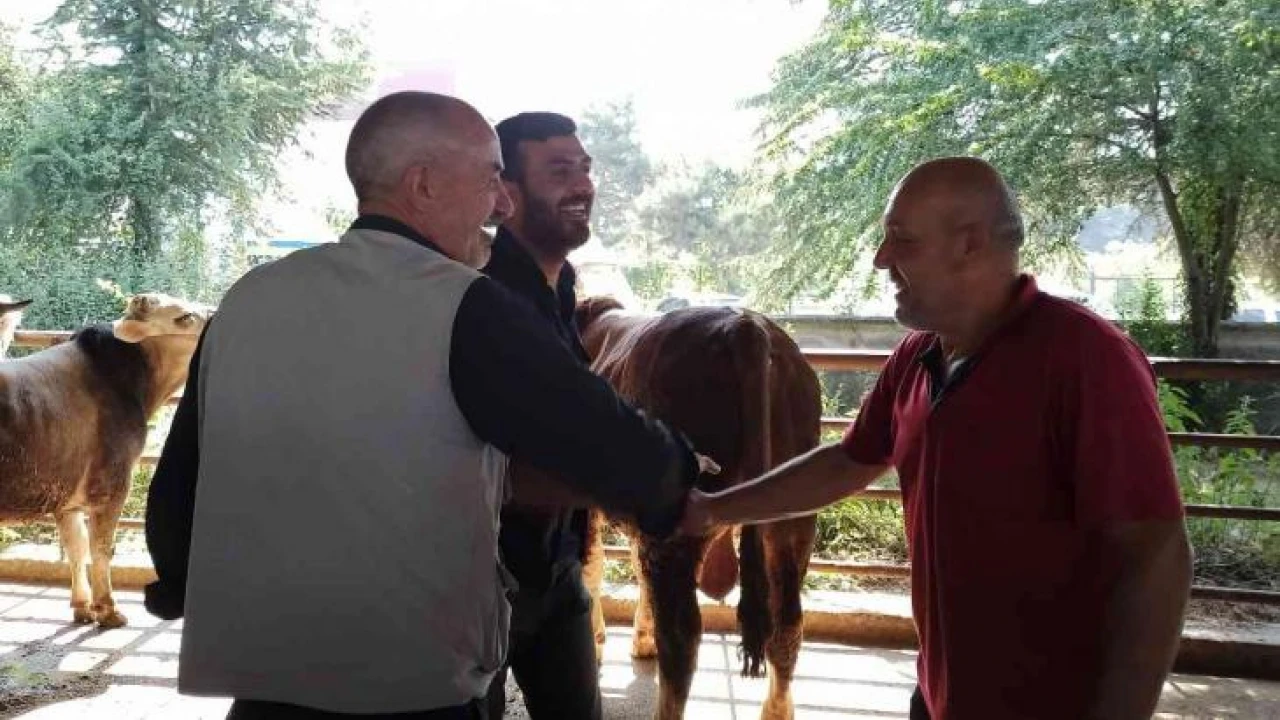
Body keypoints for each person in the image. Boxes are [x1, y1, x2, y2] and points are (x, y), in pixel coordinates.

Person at [143, 91, 713, 720]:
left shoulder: (250, 296)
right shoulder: (464, 305)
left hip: (267, 686)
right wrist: (680, 474)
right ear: (423, 185)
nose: (502, 204)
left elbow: (179, 490)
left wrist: (180, 583)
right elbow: (615, 446)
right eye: (491, 179)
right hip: (410, 688)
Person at [679, 157, 1193, 720]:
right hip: (939, 693)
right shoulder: (918, 356)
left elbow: (1154, 555)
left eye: (900, 239)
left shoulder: (1087, 358)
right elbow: (848, 462)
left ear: (968, 244)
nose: (881, 259)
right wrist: (714, 509)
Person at [478, 112, 600, 720]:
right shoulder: (480, 295)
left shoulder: (562, 285)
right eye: (558, 171)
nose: (581, 185)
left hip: (556, 567)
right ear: (506, 194)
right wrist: (649, 484)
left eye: (584, 168)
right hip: (482, 574)